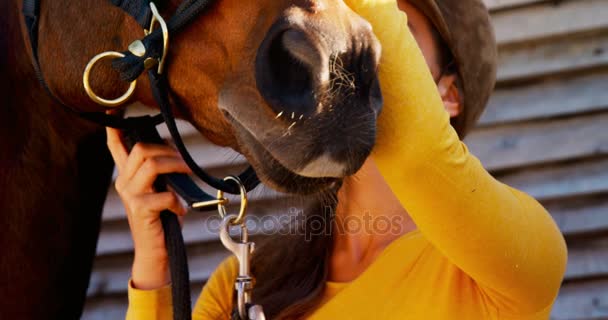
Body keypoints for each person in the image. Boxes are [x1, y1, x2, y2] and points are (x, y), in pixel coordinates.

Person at [109, 0, 568, 319]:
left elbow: (416, 154)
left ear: (448, 95)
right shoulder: (246, 278)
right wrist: (155, 269)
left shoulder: (515, 262)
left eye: (390, 25)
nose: (346, 38)